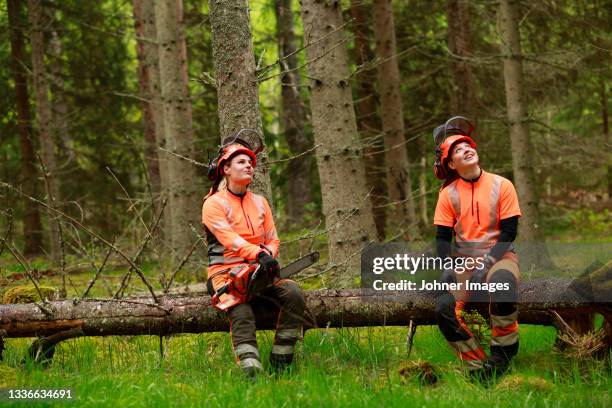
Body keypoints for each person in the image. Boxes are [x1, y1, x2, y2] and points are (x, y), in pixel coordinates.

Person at [201, 134, 305, 378]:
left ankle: (282, 362)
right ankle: (251, 372)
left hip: (259, 271)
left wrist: (268, 255)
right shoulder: (213, 204)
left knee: (294, 294)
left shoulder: (260, 202)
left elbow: (273, 237)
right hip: (225, 275)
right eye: (241, 162)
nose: (248, 166)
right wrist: (259, 253)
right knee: (241, 310)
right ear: (225, 168)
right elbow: (231, 240)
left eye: (250, 163)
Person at [432, 117, 521, 381]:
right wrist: (448, 268)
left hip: (501, 255)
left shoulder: (502, 185)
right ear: (450, 163)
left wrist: (487, 264)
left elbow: (509, 233)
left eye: (468, 146)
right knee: (444, 308)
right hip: (464, 261)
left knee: (504, 285)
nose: (466, 150)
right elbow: (442, 238)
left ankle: (503, 354)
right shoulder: (448, 194)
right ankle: (478, 367)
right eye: (458, 150)